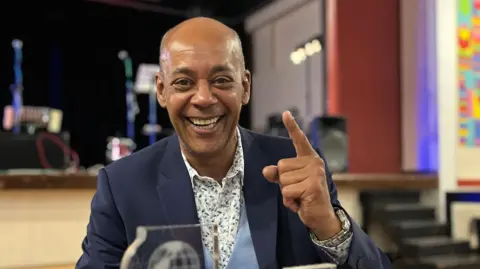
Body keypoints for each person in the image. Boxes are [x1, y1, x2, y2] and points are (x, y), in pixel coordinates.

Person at [76, 17, 392, 269]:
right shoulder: (122, 186)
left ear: (245, 87)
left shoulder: (295, 168)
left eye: (221, 80)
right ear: (161, 91)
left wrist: (329, 225)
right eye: (184, 82)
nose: (203, 98)